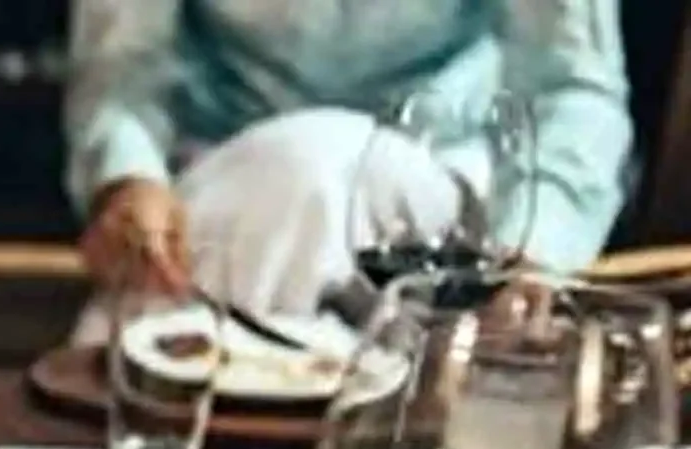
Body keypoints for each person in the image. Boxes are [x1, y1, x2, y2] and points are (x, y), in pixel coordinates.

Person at [65, 1, 632, 328]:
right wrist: (126, 175)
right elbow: (123, 62)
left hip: (433, 197)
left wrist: (539, 253)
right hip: (232, 182)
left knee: (317, 161)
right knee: (296, 170)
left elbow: (573, 86)